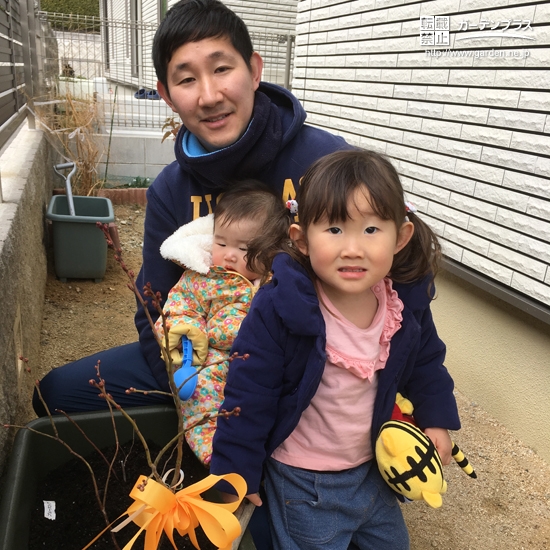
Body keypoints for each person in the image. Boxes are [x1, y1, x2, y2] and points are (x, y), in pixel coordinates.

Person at [32, 0, 350, 416]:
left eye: (222, 69)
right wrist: (199, 383)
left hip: (313, 356)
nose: (209, 95)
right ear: (165, 94)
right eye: (186, 79)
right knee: (55, 394)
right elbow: (155, 309)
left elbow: (396, 268)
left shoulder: (324, 161)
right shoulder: (169, 190)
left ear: (254, 70)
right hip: (207, 354)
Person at [210, 149, 462, 550]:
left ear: (401, 237)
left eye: (371, 230)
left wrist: (435, 419)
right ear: (302, 240)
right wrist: (234, 472)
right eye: (334, 229)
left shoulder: (403, 305)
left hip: (372, 468)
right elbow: (249, 391)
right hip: (303, 480)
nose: (352, 248)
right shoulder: (283, 308)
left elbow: (426, 363)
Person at [155, 181, 291, 465]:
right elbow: (180, 307)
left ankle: (264, 460)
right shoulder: (204, 277)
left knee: (269, 406)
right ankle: (215, 457)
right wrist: (188, 335)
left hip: (262, 362)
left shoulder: (276, 282)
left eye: (245, 248)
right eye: (222, 243)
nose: (229, 254)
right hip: (213, 358)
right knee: (200, 396)